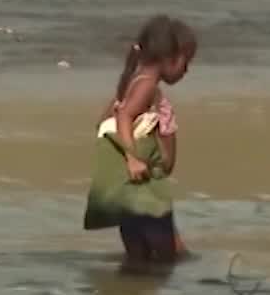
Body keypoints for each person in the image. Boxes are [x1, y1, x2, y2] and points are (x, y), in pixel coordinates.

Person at [84, 15, 197, 265]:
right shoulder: (145, 86)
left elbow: (105, 121)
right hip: (145, 188)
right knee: (171, 257)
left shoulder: (132, 85)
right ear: (170, 58)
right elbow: (123, 115)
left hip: (136, 190)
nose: (186, 69)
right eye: (185, 62)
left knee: (139, 259)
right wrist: (133, 158)